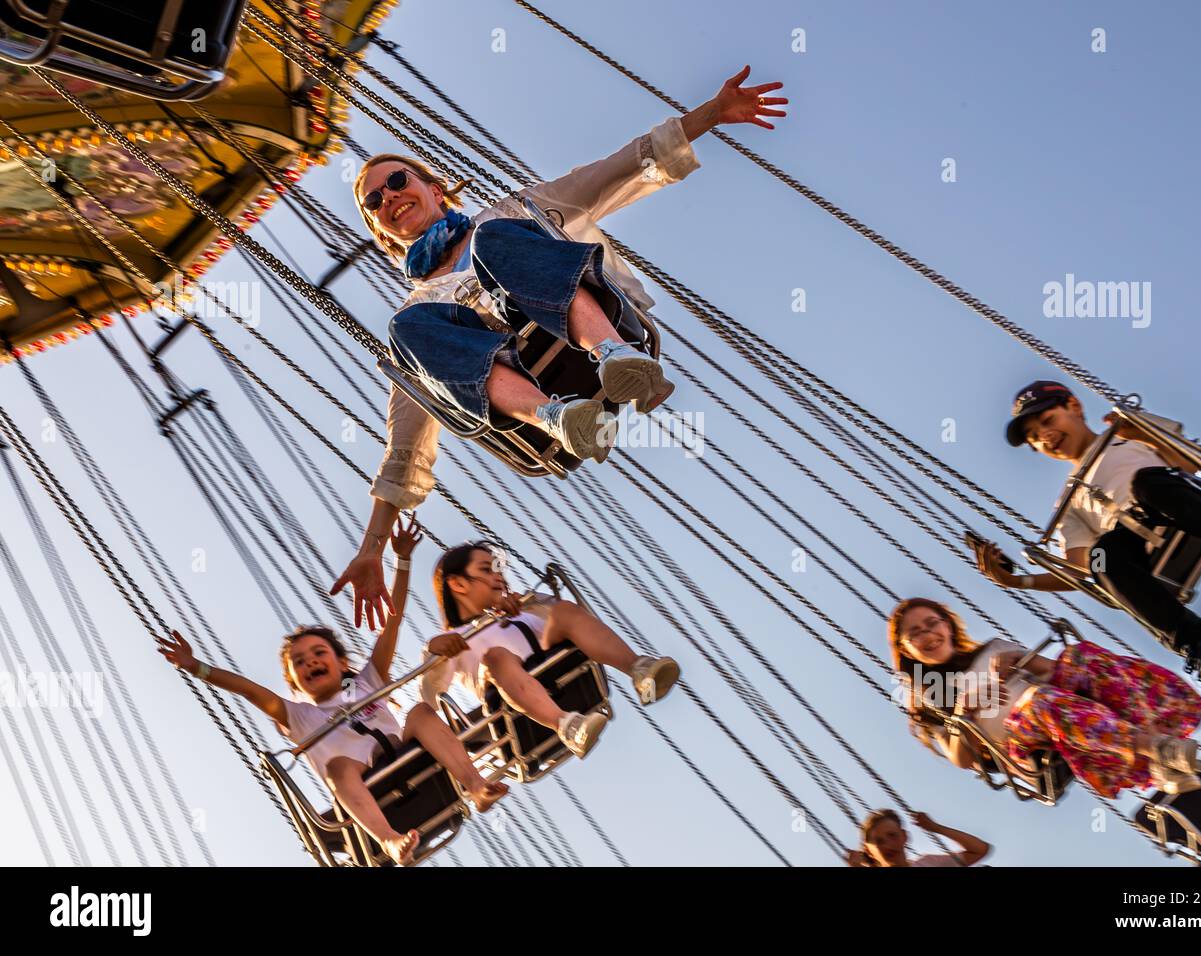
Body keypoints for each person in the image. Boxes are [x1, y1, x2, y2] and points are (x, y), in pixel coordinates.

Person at [331, 66, 788, 632]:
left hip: (587, 329)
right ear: (381, 232)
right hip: (542, 396)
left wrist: (710, 115)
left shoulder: (512, 212)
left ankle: (618, 357)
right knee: (404, 336)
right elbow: (407, 443)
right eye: (375, 201)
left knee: (496, 236)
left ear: (433, 186)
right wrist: (374, 548)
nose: (390, 198)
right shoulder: (419, 318)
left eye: (398, 181)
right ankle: (559, 418)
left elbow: (615, 172)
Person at [158, 517, 507, 866]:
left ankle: (476, 786)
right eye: (300, 662)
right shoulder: (300, 716)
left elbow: (393, 620)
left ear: (341, 662)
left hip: (416, 768)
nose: (310, 663)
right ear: (294, 682)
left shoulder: (365, 683)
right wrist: (196, 667)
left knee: (418, 713)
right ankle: (390, 841)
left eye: (318, 654)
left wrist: (402, 560)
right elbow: (251, 691)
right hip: (376, 795)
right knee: (339, 767)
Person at [970, 380, 1201, 700]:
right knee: (1102, 556)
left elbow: (1197, 465)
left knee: (1146, 483)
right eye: (1034, 437)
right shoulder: (1068, 503)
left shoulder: (1128, 433)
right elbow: (1080, 570)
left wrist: (1141, 433)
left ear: (1075, 407)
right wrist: (1016, 580)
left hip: (1172, 501)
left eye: (1047, 421)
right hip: (1139, 546)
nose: (1045, 436)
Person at [888, 597, 1201, 798]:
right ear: (905, 648)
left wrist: (1020, 659)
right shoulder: (931, 698)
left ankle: (1160, 751)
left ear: (948, 625)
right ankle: (1159, 749)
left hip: (1066, 709)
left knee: (1081, 657)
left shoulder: (993, 648)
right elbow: (963, 760)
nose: (928, 635)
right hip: (1024, 744)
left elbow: (1061, 673)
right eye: (915, 633)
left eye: (932, 623)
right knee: (1038, 701)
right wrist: (963, 710)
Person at [420, 541, 680, 758]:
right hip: (515, 712)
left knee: (564, 611)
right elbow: (430, 697)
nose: (499, 577)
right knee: (497, 656)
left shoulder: (520, 610)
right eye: (487, 570)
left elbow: (567, 619)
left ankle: (639, 669)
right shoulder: (454, 640)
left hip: (560, 668)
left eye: (499, 569)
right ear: (459, 584)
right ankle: (566, 725)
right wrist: (435, 650)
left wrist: (526, 605)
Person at [847, 809, 990, 867]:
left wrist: (936, 828)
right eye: (879, 841)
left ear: (904, 836)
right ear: (868, 850)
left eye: (892, 835)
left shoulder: (927, 863)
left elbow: (979, 850)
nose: (888, 845)